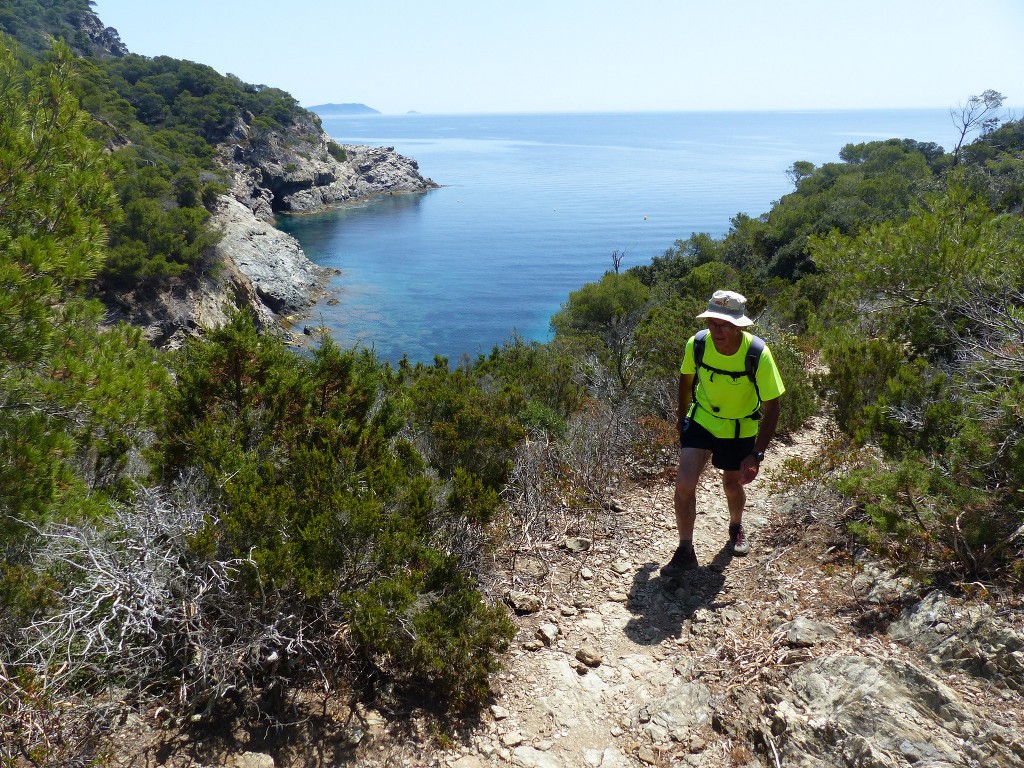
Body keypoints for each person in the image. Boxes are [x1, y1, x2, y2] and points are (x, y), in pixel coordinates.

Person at [660, 289, 785, 576]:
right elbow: (686, 379)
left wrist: (757, 453)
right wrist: (682, 418)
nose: (717, 330)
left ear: (740, 325)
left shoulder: (757, 354)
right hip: (702, 419)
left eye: (725, 324)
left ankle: (736, 525)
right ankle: (685, 549)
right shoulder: (698, 344)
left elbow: (772, 407)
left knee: (732, 485)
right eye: (712, 323)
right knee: (684, 482)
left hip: (739, 427)